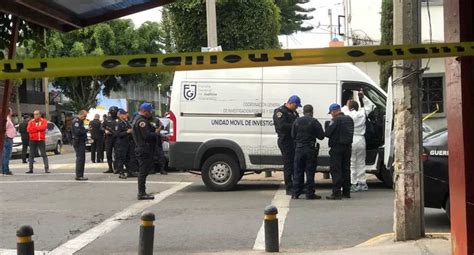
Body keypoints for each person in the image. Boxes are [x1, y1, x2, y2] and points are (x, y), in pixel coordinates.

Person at [291, 104, 325, 200]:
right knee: (310, 171)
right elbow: (321, 136)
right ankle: (310, 193)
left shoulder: (296, 121)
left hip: (299, 148)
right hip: (310, 149)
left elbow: (293, 135)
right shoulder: (314, 122)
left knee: (298, 170)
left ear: (303, 111)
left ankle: (295, 193)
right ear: (312, 112)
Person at [325, 103, 354, 200]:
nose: (331, 115)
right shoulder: (349, 119)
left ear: (334, 111)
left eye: (331, 113)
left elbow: (328, 133)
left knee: (336, 170)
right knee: (346, 169)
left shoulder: (335, 120)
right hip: (348, 147)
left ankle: (336, 193)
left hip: (337, 148)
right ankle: (347, 191)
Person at [273, 95, 301, 195]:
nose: (297, 107)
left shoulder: (294, 112)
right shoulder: (280, 112)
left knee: (295, 164)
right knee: (288, 164)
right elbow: (282, 126)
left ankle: (296, 186)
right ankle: (289, 188)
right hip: (285, 140)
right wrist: (295, 125)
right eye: (296, 105)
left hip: (294, 141)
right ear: (291, 103)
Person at [132, 103, 159, 200]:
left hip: (142, 148)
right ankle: (141, 193)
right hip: (143, 148)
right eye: (150, 111)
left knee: (144, 170)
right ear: (145, 111)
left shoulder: (137, 119)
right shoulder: (141, 121)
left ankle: (142, 192)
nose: (150, 113)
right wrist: (155, 133)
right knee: (143, 171)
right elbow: (146, 136)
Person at [344, 101, 368, 192]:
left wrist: (347, 105)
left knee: (352, 162)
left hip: (352, 138)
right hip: (361, 139)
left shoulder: (348, 115)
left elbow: (344, 109)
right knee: (361, 162)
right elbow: (365, 108)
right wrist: (362, 99)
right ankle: (362, 183)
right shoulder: (361, 114)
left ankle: (353, 183)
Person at [116, 109, 138, 179]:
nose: (126, 115)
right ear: (120, 115)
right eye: (124, 114)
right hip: (121, 143)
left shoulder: (126, 122)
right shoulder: (118, 123)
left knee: (128, 158)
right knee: (121, 158)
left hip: (128, 143)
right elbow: (117, 134)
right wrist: (127, 132)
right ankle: (121, 172)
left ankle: (130, 171)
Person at [72, 110, 89, 181]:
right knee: (80, 159)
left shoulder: (80, 121)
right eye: (84, 116)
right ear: (81, 114)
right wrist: (86, 130)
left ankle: (80, 174)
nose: (85, 117)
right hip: (78, 142)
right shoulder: (76, 121)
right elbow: (78, 132)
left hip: (81, 141)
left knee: (82, 158)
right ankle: (79, 175)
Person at [103, 106, 119, 173]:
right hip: (108, 138)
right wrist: (105, 130)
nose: (113, 113)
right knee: (108, 154)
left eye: (114, 111)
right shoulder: (107, 119)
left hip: (116, 138)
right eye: (112, 111)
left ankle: (117, 168)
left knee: (117, 154)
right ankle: (110, 168)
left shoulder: (119, 119)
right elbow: (101, 127)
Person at [2, 108, 15, 175]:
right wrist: (6, 135)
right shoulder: (7, 119)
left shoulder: (8, 119)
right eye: (11, 111)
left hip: (8, 138)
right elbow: (3, 128)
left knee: (5, 155)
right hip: (7, 138)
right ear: (9, 112)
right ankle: (5, 170)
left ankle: (3, 169)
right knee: (6, 155)